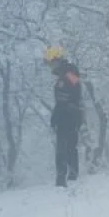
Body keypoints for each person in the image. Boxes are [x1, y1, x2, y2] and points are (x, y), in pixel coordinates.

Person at [45, 46, 83, 187]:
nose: (51, 66)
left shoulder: (69, 73)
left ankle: (63, 177)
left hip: (68, 116)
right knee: (68, 147)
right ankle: (71, 175)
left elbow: (75, 93)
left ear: (58, 60)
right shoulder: (63, 75)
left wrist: (68, 109)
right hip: (66, 115)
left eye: (52, 63)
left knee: (64, 147)